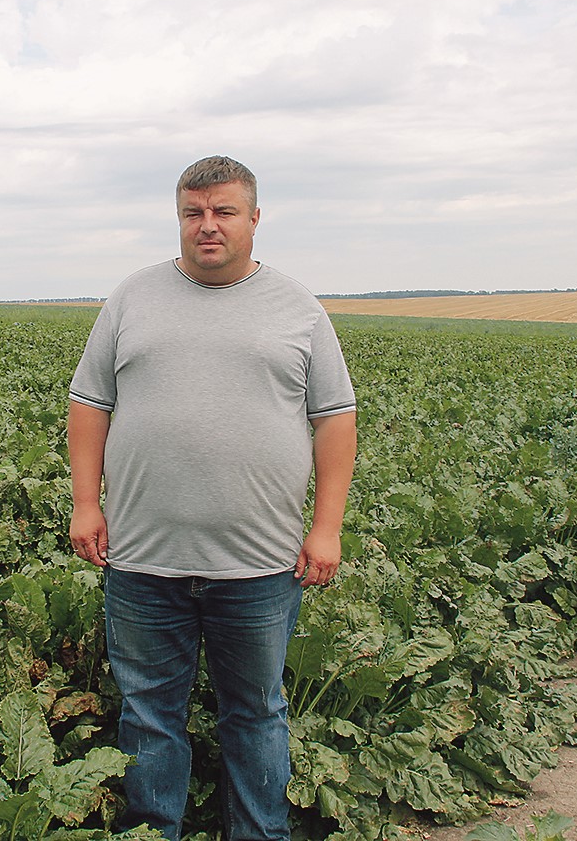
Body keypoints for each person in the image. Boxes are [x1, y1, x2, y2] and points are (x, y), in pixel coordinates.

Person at [67, 155, 357, 841]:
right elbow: (88, 405)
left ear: (254, 219)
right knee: (147, 715)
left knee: (256, 713)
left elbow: (336, 419)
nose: (208, 226)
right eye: (193, 213)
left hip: (259, 564)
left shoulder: (299, 309)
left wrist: (328, 527)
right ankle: (152, 830)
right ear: (179, 218)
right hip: (142, 557)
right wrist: (85, 502)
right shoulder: (132, 298)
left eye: (224, 212)